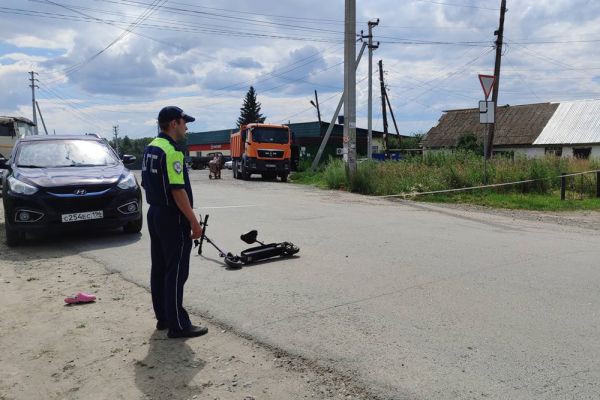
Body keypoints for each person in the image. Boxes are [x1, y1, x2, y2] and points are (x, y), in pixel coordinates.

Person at [141, 106, 207, 339]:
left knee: (160, 268)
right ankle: (178, 325)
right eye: (184, 122)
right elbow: (178, 191)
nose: (186, 127)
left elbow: (147, 184)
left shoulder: (151, 148)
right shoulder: (172, 152)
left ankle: (164, 318)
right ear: (173, 123)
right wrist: (194, 222)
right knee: (176, 271)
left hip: (155, 213)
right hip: (172, 217)